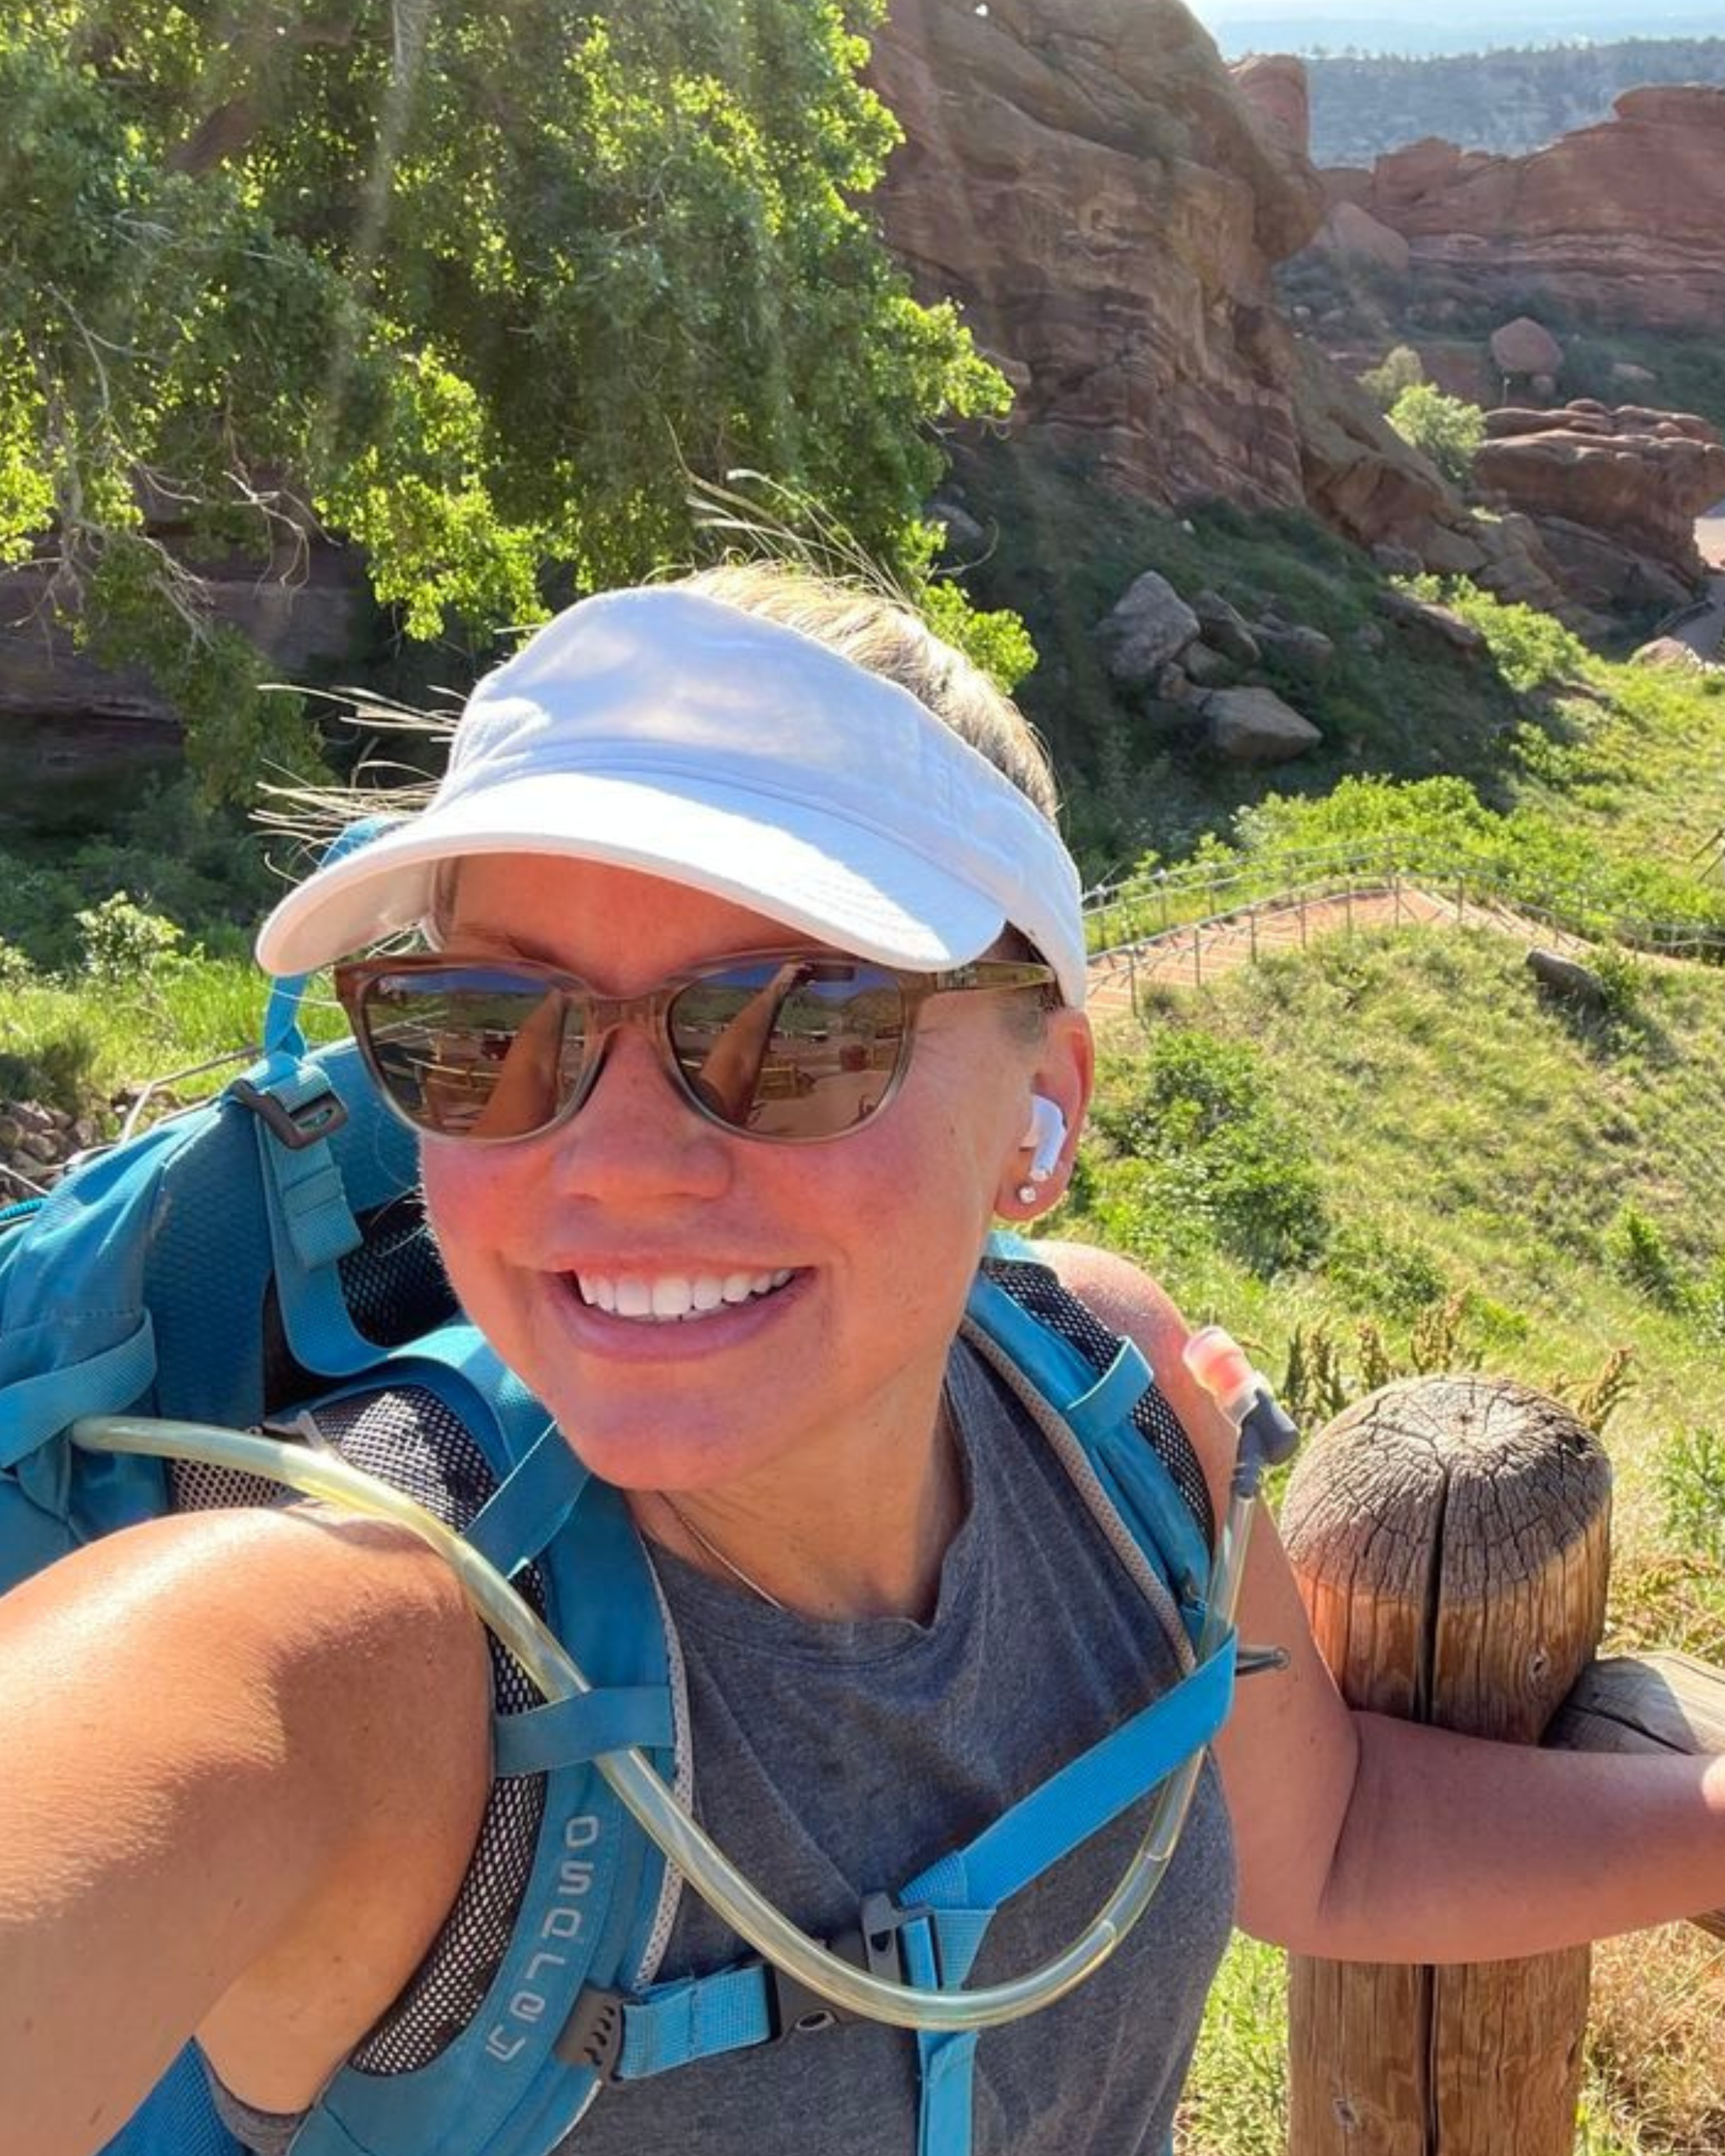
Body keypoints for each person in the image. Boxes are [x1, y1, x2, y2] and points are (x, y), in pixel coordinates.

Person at [6, 562, 1725, 2156]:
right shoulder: (340, 1658)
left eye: (792, 1022)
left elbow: (1328, 1836)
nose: (608, 1162)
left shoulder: (1113, 1411)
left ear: (1038, 1103)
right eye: (481, 1028)